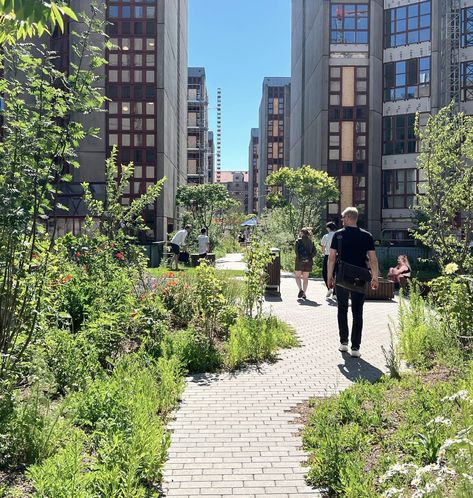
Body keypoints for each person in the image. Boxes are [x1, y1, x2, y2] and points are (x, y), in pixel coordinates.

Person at [327, 207, 379, 358]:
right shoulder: (367, 236)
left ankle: (343, 343)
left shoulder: (338, 236)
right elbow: (373, 259)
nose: (342, 220)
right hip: (360, 277)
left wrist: (330, 276)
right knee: (358, 312)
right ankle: (355, 348)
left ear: (349, 217)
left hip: (342, 277)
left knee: (342, 309)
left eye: (343, 217)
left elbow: (331, 258)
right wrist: (374, 277)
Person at [294, 227, 316, 300]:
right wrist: (309, 258)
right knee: (305, 278)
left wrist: (300, 258)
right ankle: (304, 293)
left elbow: (296, 251)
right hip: (308, 262)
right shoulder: (311, 241)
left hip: (299, 262)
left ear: (302, 233)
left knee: (297, 277)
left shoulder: (298, 241)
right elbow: (314, 252)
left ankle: (300, 289)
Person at [321, 222, 337, 300]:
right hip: (337, 256)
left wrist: (324, 254)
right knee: (335, 274)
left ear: (328, 228)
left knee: (325, 273)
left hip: (328, 256)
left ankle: (329, 288)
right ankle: (335, 293)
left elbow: (323, 248)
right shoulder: (338, 235)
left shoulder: (326, 236)